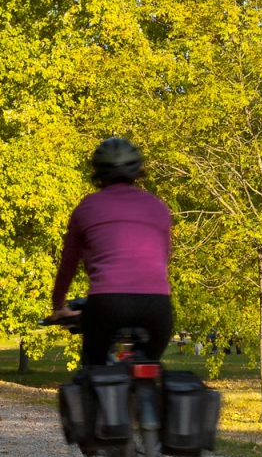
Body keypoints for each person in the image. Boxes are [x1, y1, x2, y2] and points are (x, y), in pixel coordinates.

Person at [49, 137, 173, 367]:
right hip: (157, 306)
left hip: (107, 304)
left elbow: (68, 266)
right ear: (138, 170)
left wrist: (58, 306)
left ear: (97, 172)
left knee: (94, 370)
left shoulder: (87, 207)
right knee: (150, 367)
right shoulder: (157, 207)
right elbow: (164, 256)